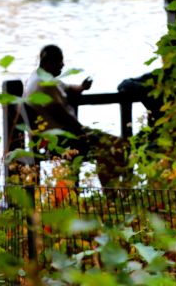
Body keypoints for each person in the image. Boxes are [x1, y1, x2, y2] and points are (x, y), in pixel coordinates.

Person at [22, 45, 126, 186]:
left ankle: (112, 194)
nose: (63, 65)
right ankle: (113, 194)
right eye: (59, 61)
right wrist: (85, 133)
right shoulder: (46, 84)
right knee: (114, 145)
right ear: (48, 62)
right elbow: (64, 117)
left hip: (49, 139)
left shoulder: (37, 77)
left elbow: (66, 88)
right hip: (63, 140)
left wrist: (82, 87)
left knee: (112, 143)